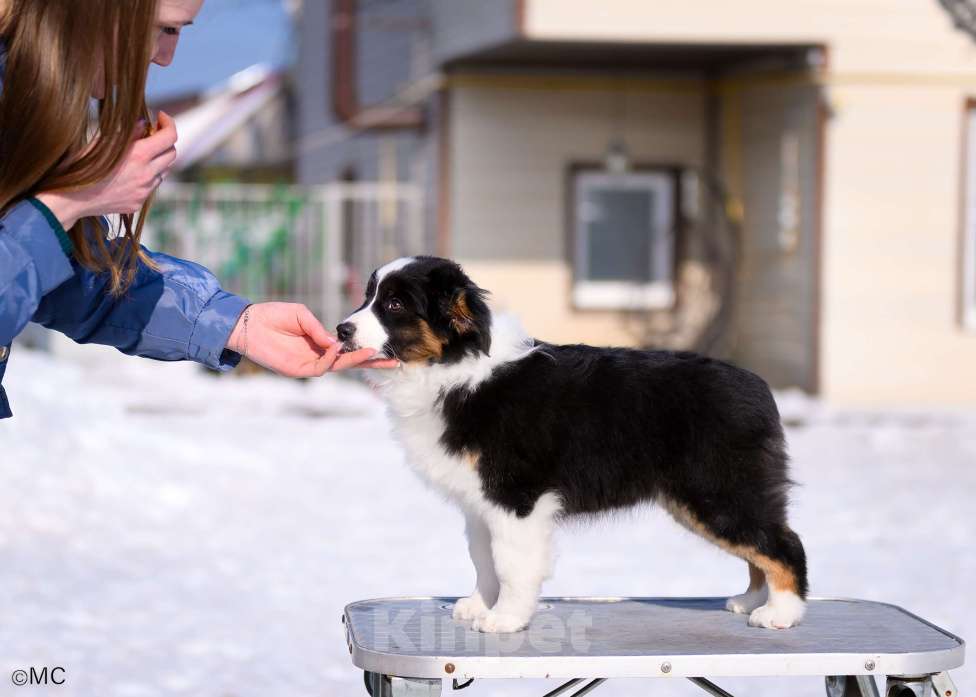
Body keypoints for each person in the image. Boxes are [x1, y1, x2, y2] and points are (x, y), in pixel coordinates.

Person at [0, 0, 397, 420]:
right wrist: (71, 201)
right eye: (164, 29)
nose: (165, 58)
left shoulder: (25, 99)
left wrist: (235, 324)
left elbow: (73, 278)